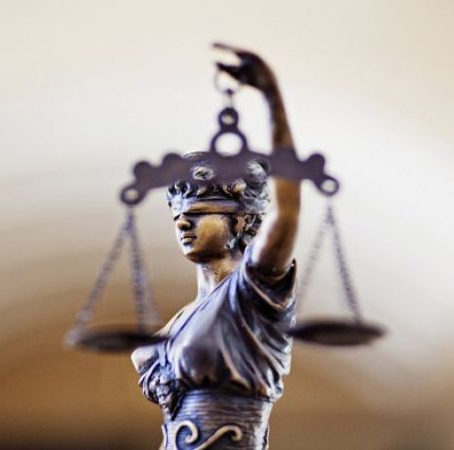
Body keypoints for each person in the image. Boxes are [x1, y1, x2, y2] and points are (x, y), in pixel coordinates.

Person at [131, 44, 301, 450]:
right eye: (178, 215)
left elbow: (288, 213)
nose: (183, 223)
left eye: (199, 213)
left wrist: (271, 98)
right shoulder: (182, 317)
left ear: (240, 221)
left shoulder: (254, 294)